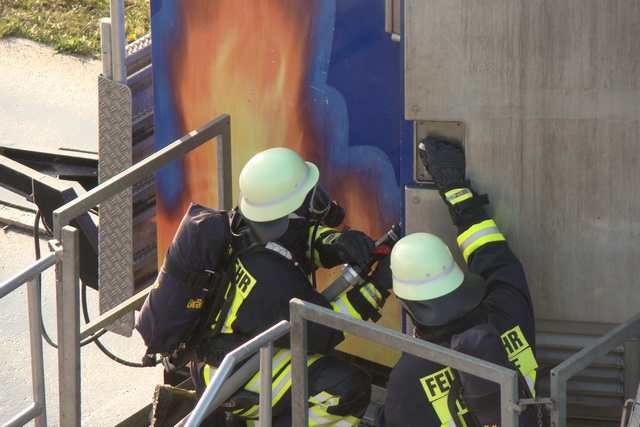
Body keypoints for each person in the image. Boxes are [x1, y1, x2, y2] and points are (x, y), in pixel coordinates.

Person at [151, 147, 393, 426]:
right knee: (346, 389)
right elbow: (324, 329)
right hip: (233, 373)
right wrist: (377, 287)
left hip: (228, 352)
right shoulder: (272, 277)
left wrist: (335, 243)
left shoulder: (244, 226)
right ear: (288, 213)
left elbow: (296, 242)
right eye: (311, 201)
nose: (319, 207)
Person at [374, 136, 541, 426]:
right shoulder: (508, 309)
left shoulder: (408, 375)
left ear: (406, 302)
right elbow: (492, 253)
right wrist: (456, 191)